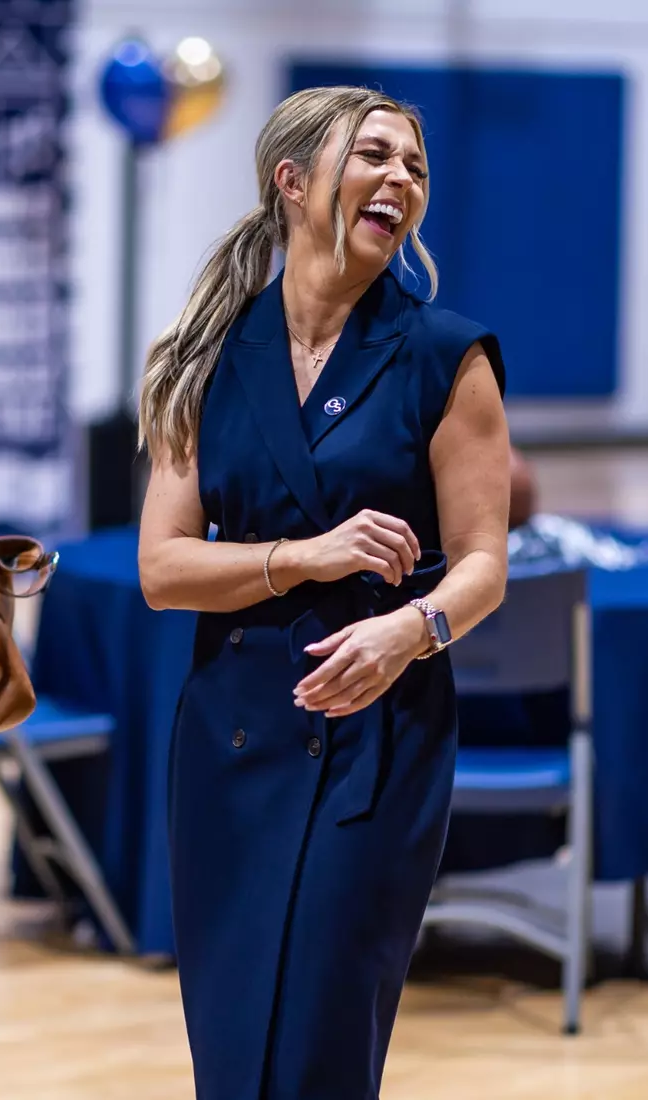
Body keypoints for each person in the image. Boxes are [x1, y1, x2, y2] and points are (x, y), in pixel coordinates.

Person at [137, 86, 512, 1098]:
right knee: (230, 1052)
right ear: (293, 182)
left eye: (416, 166)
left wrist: (410, 632)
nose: (402, 179)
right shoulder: (207, 352)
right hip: (230, 741)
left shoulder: (447, 355)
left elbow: (484, 564)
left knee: (323, 1045)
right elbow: (163, 570)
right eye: (375, 155)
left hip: (379, 735)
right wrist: (307, 556)